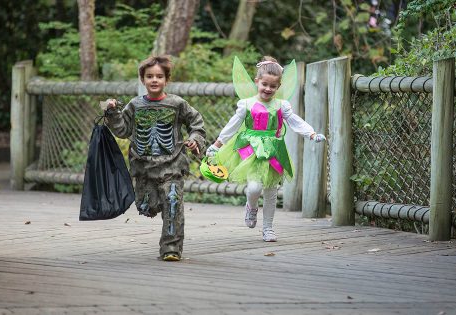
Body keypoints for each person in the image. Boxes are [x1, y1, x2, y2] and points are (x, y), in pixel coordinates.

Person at [206, 56, 326, 242]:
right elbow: (232, 125)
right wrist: (216, 145)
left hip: (274, 150)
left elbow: (295, 121)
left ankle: (268, 228)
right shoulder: (246, 104)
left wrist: (310, 133)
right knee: (254, 188)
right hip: (252, 150)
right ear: (257, 82)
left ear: (278, 87)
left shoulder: (281, 105)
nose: (268, 89)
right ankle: (251, 207)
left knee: (271, 191)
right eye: (264, 84)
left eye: (273, 86)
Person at [105, 55, 206, 261]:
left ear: (166, 80)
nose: (154, 80)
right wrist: (112, 112)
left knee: (172, 201)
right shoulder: (134, 105)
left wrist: (195, 139)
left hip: (172, 164)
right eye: (149, 76)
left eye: (159, 76)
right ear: (143, 79)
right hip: (143, 167)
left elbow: (196, 123)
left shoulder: (177, 103)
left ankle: (171, 248)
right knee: (146, 206)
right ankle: (155, 205)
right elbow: (123, 130)